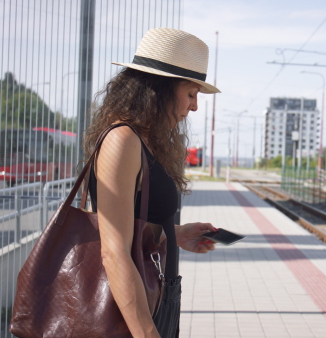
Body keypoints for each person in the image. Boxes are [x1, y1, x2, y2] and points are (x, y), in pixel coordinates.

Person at [83, 28, 220, 338]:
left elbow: (132, 227)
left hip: (156, 303)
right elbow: (114, 252)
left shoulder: (144, 142)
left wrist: (175, 236)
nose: (195, 106)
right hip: (130, 319)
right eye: (190, 93)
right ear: (161, 88)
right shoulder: (123, 141)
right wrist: (147, 333)